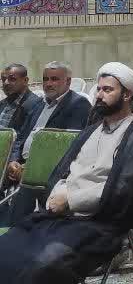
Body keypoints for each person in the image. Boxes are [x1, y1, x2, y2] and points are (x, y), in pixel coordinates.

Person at [0, 63, 133, 283]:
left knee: (43, 263)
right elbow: (64, 171)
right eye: (99, 89)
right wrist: (58, 194)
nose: (99, 95)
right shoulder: (91, 130)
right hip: (61, 216)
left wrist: (70, 199)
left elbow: (125, 190)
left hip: (101, 224)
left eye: (108, 90)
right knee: (7, 249)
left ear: (127, 95)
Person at [4, 61, 91, 222]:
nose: (48, 84)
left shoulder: (78, 105)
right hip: (21, 166)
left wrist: (30, 169)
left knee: (20, 215)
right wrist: (13, 161)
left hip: (49, 171)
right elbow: (21, 137)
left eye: (54, 79)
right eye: (45, 79)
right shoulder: (39, 104)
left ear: (68, 81)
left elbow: (67, 146)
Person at [0, 64, 39, 133]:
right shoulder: (3, 103)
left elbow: (24, 136)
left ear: (25, 80)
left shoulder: (35, 105)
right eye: (3, 79)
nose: (6, 83)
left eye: (12, 79)